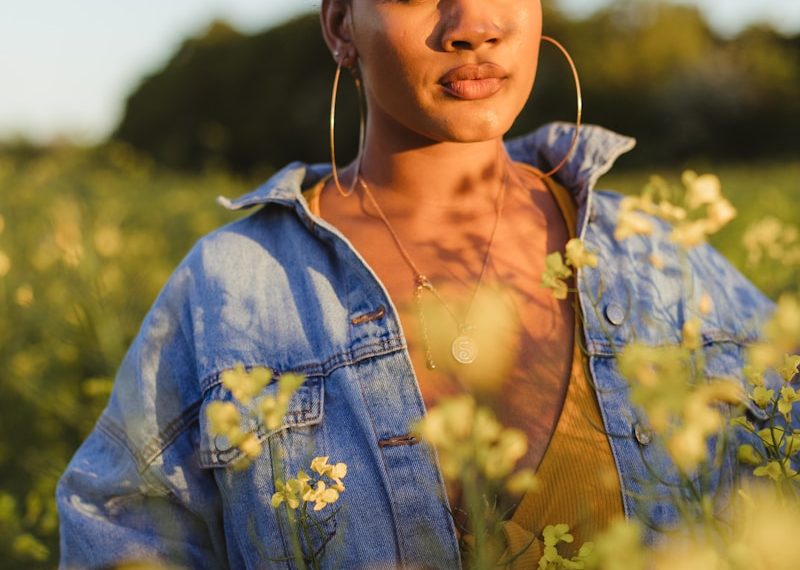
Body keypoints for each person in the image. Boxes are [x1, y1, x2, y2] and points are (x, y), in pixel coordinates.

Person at [57, 0, 773, 568]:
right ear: (342, 24)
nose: (474, 26)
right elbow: (118, 538)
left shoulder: (658, 258)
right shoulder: (231, 288)